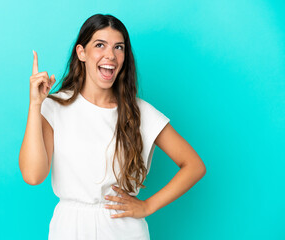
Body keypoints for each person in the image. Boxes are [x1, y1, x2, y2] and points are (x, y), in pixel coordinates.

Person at [19, 13, 206, 240]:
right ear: (82, 53)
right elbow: (33, 176)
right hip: (70, 229)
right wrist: (35, 105)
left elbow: (194, 165)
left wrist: (147, 206)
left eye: (119, 47)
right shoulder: (55, 106)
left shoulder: (141, 112)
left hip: (124, 229)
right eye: (100, 45)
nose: (111, 55)